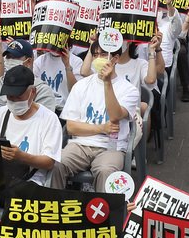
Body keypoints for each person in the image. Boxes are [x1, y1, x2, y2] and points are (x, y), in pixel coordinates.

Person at [52, 47, 140, 190]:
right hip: (80, 145)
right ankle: (54, 208)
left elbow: (115, 116)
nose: (98, 58)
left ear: (115, 59)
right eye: (95, 55)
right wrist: (102, 128)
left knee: (105, 171)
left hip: (112, 147)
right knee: (56, 163)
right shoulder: (81, 86)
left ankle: (104, 212)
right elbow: (71, 127)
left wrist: (107, 83)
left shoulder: (128, 89)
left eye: (104, 54)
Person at [0, 65, 63, 187]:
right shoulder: (0, 114)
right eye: (10, 97)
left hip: (29, 183)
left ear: (33, 92)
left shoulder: (49, 119)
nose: (14, 101)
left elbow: (49, 162)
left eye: (19, 97)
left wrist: (22, 156)